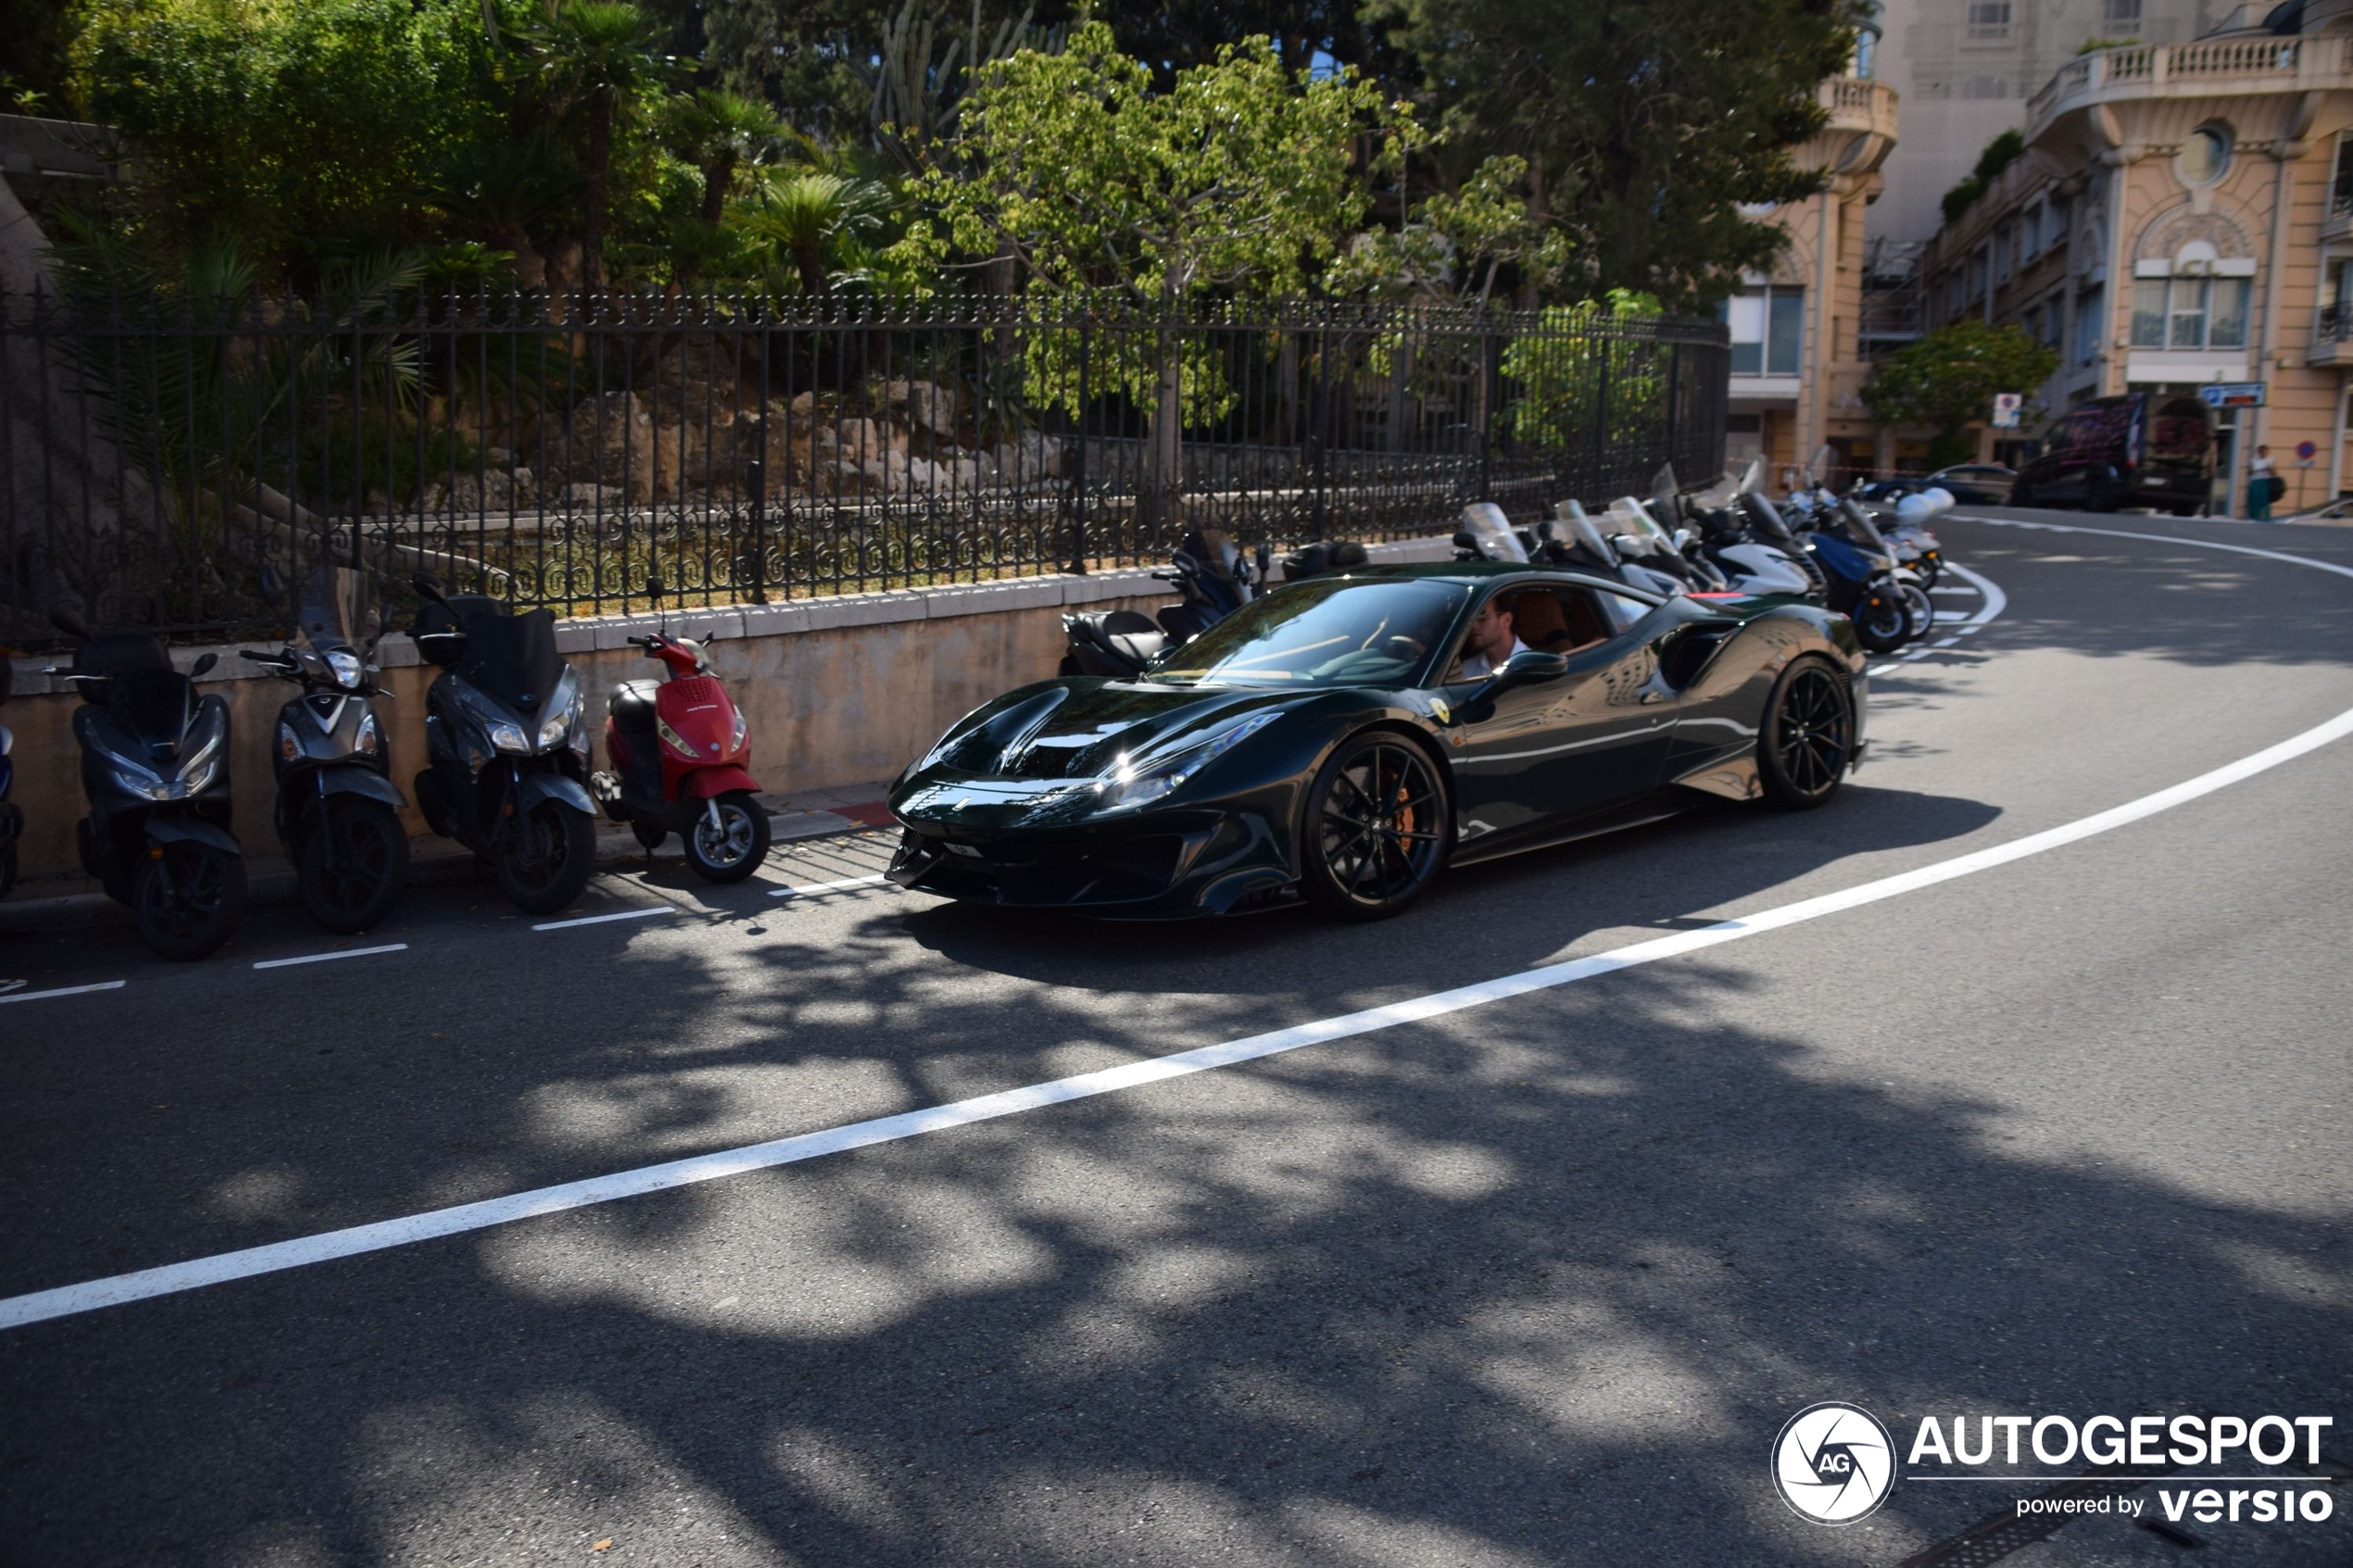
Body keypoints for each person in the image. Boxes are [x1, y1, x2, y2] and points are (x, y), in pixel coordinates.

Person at [1453, 595, 1529, 680]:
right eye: (1471, 617)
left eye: (1482, 615)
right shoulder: (1468, 667)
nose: (1473, 625)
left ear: (1506, 620)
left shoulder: (1531, 665)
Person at [2248, 445, 2277, 521]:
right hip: (2255, 481)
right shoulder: (2253, 460)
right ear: (2258, 452)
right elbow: (2248, 473)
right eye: (2261, 452)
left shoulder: (2270, 460)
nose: (2263, 454)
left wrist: (2269, 468)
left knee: (2265, 500)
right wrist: (2252, 469)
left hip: (2265, 481)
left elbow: (2274, 473)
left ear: (2267, 452)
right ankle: (2255, 518)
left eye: (2265, 452)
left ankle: (2266, 518)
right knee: (2254, 501)